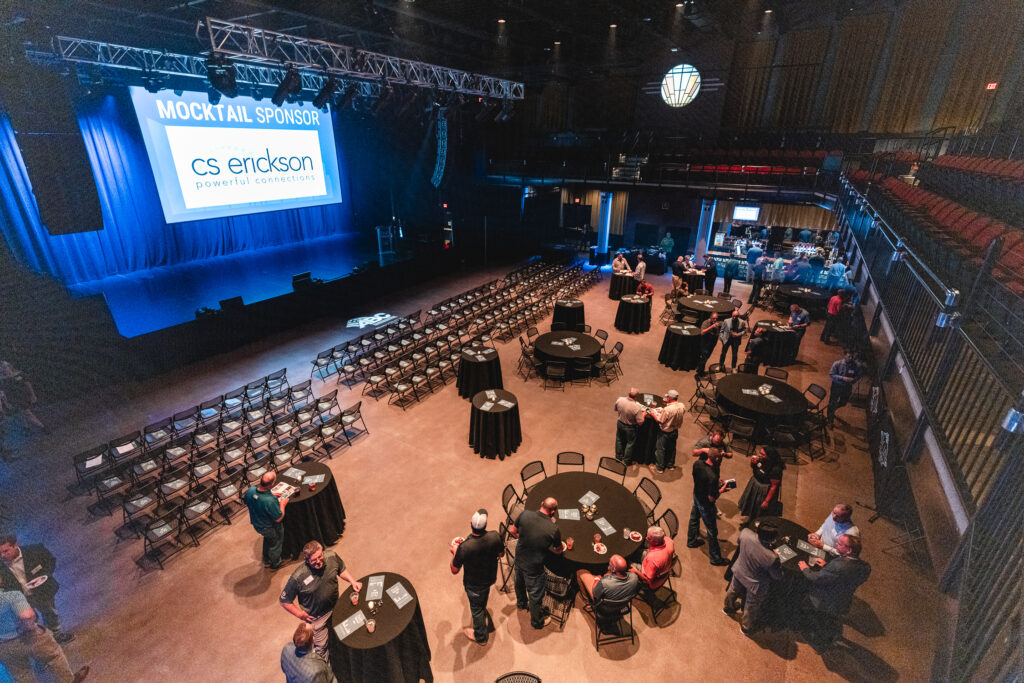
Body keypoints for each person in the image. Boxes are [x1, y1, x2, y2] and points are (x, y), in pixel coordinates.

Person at [279, 541, 361, 659]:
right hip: (317, 617)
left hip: (336, 605)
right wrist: (300, 614)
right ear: (307, 561)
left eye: (320, 556)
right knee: (321, 649)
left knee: (348, 632)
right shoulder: (298, 577)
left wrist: (352, 581)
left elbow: (341, 569)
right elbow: (284, 601)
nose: (318, 561)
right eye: (314, 560)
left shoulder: (331, 556)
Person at [0, 576, 88, 683]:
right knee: (54, 657)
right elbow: (27, 615)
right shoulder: (12, 596)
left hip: (5, 646)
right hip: (29, 637)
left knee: (22, 674)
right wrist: (25, 627)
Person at [798, 533, 871, 647]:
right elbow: (846, 578)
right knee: (827, 620)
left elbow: (816, 578)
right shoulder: (865, 567)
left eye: (840, 544)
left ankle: (817, 641)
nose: (836, 544)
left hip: (823, 601)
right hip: (842, 600)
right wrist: (827, 566)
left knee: (810, 612)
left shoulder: (838, 567)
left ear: (848, 550)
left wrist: (805, 568)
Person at [0, 533, 71, 643]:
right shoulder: (1, 565)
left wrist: (45, 575)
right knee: (30, 622)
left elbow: (50, 561)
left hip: (41, 591)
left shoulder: (34, 550)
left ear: (15, 545)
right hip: (21, 598)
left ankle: (57, 634)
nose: (2, 556)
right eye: (0, 553)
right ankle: (41, 642)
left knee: (50, 612)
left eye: (6, 551)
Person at [450, 509, 504, 644]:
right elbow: (501, 554)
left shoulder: (464, 547)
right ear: (485, 525)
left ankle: (481, 637)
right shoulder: (495, 536)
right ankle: (482, 609)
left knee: (477, 610)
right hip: (490, 578)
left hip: (474, 584)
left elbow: (454, 569)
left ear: (470, 523)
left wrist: (455, 552)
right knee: (482, 599)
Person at [509, 498, 563, 629]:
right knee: (535, 594)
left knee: (519, 583)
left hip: (519, 558)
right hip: (534, 567)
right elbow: (558, 550)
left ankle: (521, 604)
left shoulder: (525, 514)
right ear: (553, 512)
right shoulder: (553, 528)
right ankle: (537, 622)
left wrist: (524, 538)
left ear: (541, 504)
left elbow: (512, 531)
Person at [723, 522, 783, 635]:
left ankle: (728, 608)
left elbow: (739, 542)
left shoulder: (745, 533)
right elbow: (777, 576)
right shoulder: (771, 557)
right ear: (772, 540)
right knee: (751, 605)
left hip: (739, 570)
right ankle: (746, 627)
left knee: (733, 589)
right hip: (755, 584)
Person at [686, 446, 730, 565]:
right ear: (716, 459)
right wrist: (722, 490)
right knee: (712, 531)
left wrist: (717, 482)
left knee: (694, 518)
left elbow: (699, 479)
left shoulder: (698, 464)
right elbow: (712, 498)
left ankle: (691, 541)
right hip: (706, 505)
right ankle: (715, 559)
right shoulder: (712, 477)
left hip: (697, 496)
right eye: (720, 458)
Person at [243, 471, 289, 570]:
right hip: (269, 526)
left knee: (268, 540)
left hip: (257, 524)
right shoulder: (270, 501)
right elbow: (279, 518)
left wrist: (270, 495)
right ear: (272, 484)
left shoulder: (250, 490)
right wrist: (283, 504)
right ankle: (275, 563)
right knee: (275, 543)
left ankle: (267, 560)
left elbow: (248, 500)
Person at [737, 446, 784, 521]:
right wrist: (752, 462)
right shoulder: (760, 460)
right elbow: (755, 469)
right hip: (755, 484)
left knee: (759, 510)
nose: (759, 455)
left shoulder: (775, 469)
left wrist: (766, 501)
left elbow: (773, 486)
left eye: (762, 454)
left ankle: (757, 525)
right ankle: (750, 520)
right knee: (752, 506)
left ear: (769, 457)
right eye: (760, 453)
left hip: (764, 490)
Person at [576, 554, 641, 604]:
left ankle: (588, 602)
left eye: (610, 563)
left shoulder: (605, 583)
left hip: (604, 607)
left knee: (580, 572)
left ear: (614, 569)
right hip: (622, 603)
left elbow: (595, 593)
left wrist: (597, 579)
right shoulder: (634, 577)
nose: (608, 564)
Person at [0, 360, 45, 431]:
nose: (5, 369)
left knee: (26, 413)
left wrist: (32, 395)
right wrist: (6, 403)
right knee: (26, 413)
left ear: (9, 366)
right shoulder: (4, 380)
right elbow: (2, 393)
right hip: (15, 399)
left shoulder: (19, 374)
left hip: (24, 396)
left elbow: (28, 384)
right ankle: (41, 427)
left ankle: (30, 427)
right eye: (3, 368)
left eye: (5, 367)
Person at [650, 389, 686, 474]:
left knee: (660, 449)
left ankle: (660, 467)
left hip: (665, 433)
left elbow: (661, 421)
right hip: (675, 431)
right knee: (672, 448)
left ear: (669, 398)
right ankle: (670, 465)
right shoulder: (682, 406)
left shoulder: (668, 409)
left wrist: (653, 414)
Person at [631, 526, 675, 591]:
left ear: (656, 542)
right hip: (662, 566)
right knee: (638, 553)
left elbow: (647, 579)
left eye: (648, 538)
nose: (646, 538)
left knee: (628, 564)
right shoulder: (669, 540)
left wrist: (635, 570)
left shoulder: (652, 559)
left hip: (651, 581)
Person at [827, 349, 862, 425]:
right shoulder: (837, 364)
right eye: (849, 356)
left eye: (852, 357)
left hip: (847, 387)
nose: (851, 358)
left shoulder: (856, 366)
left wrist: (854, 379)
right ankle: (830, 419)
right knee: (832, 402)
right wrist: (843, 378)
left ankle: (832, 409)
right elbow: (831, 374)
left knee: (843, 403)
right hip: (837, 386)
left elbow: (859, 375)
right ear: (845, 355)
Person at [613, 388, 647, 465]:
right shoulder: (637, 407)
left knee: (619, 439)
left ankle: (618, 457)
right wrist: (644, 415)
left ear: (628, 393)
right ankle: (627, 461)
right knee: (630, 443)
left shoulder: (620, 400)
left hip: (620, 423)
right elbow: (640, 422)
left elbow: (615, 409)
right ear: (637, 397)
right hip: (630, 427)